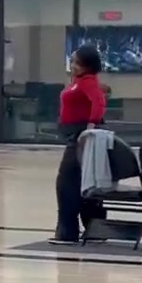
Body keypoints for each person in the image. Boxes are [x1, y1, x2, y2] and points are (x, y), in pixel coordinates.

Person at [50, 44, 108, 245]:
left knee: (67, 182)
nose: (72, 65)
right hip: (74, 135)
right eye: (72, 61)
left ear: (87, 65)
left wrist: (91, 126)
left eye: (76, 62)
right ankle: (94, 230)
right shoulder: (78, 81)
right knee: (83, 182)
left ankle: (68, 232)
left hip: (81, 136)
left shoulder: (88, 81)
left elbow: (99, 102)